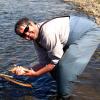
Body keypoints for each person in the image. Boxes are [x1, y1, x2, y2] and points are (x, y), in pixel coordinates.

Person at [13, 15, 100, 100]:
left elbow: (55, 61)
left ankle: (64, 97)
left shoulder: (47, 32)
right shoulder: (37, 41)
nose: (27, 35)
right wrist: (26, 70)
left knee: (65, 66)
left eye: (26, 30)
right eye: (23, 35)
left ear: (31, 23)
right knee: (55, 70)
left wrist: (37, 74)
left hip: (89, 32)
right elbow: (44, 63)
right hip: (72, 36)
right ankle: (65, 85)